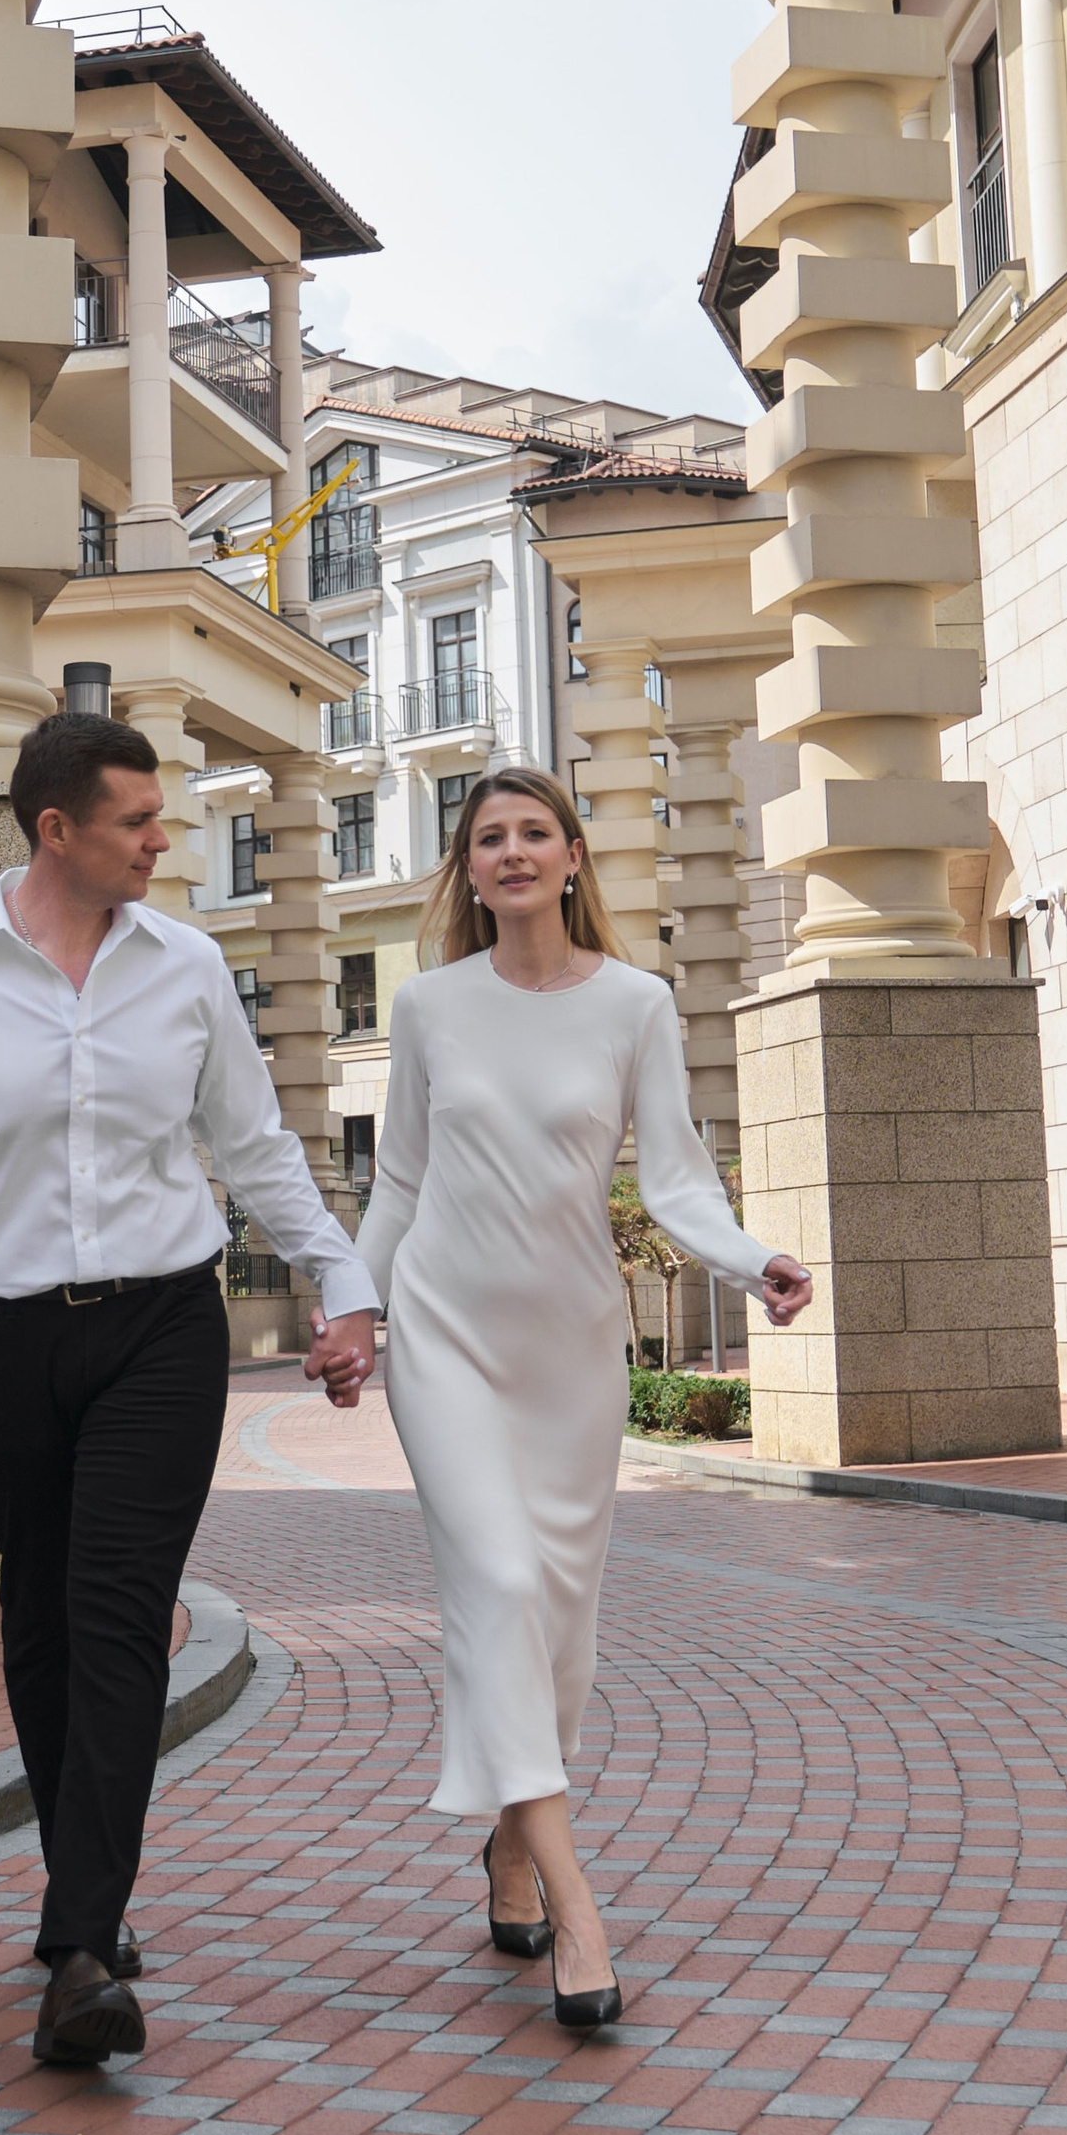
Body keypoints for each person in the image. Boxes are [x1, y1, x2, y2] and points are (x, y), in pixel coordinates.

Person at [0, 711, 379, 2070]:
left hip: (160, 1328)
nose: (163, 840)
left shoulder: (187, 966)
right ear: (56, 831)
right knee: (40, 1619)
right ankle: (84, 1889)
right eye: (139, 821)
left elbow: (252, 1146)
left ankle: (83, 1942)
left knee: (118, 1610)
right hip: (9, 1339)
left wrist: (344, 1280)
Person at [347, 764, 810, 2027]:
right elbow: (396, 1186)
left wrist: (747, 1255)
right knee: (495, 1585)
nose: (509, 852)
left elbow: (674, 1178)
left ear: (570, 858)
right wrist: (351, 1305)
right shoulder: (430, 1005)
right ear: (469, 868)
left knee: (557, 1620)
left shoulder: (634, 1003)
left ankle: (507, 1844)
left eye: (531, 833)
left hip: (569, 1350)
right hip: (445, 1334)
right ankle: (576, 1902)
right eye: (486, 837)